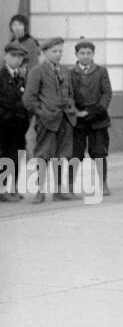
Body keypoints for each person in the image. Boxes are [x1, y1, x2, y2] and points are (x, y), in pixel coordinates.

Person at [23, 37, 77, 203]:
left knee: (63, 155)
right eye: (54, 51)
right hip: (46, 121)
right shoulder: (37, 71)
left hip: (65, 119)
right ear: (45, 53)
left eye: (60, 51)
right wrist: (43, 113)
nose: (58, 54)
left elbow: (70, 94)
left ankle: (59, 189)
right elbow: (28, 99)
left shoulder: (66, 71)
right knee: (42, 155)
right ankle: (39, 191)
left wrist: (71, 109)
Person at [69, 39, 113, 197]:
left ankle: (103, 183)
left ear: (93, 54)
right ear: (76, 54)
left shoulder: (101, 71)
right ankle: (70, 185)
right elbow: (68, 94)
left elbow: (107, 93)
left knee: (99, 152)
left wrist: (97, 110)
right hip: (78, 120)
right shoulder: (70, 73)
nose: (85, 56)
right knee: (75, 153)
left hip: (98, 118)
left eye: (89, 53)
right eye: (82, 53)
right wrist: (75, 111)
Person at [0, 42, 29, 201]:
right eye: (13, 56)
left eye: (20, 57)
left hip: (20, 124)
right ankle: (2, 189)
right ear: (6, 56)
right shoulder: (1, 75)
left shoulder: (21, 76)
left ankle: (14, 187)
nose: (17, 60)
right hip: (4, 124)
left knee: (18, 155)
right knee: (5, 156)